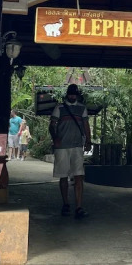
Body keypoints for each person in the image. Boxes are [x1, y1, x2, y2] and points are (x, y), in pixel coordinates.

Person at [49, 84, 92, 219]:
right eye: (71, 94)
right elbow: (52, 125)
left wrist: (88, 141)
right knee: (63, 176)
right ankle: (66, 204)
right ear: (67, 94)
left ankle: (79, 207)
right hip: (62, 146)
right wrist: (55, 138)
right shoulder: (59, 108)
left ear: (77, 95)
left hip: (77, 146)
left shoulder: (82, 108)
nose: (72, 96)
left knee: (79, 176)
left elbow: (86, 125)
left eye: (74, 94)